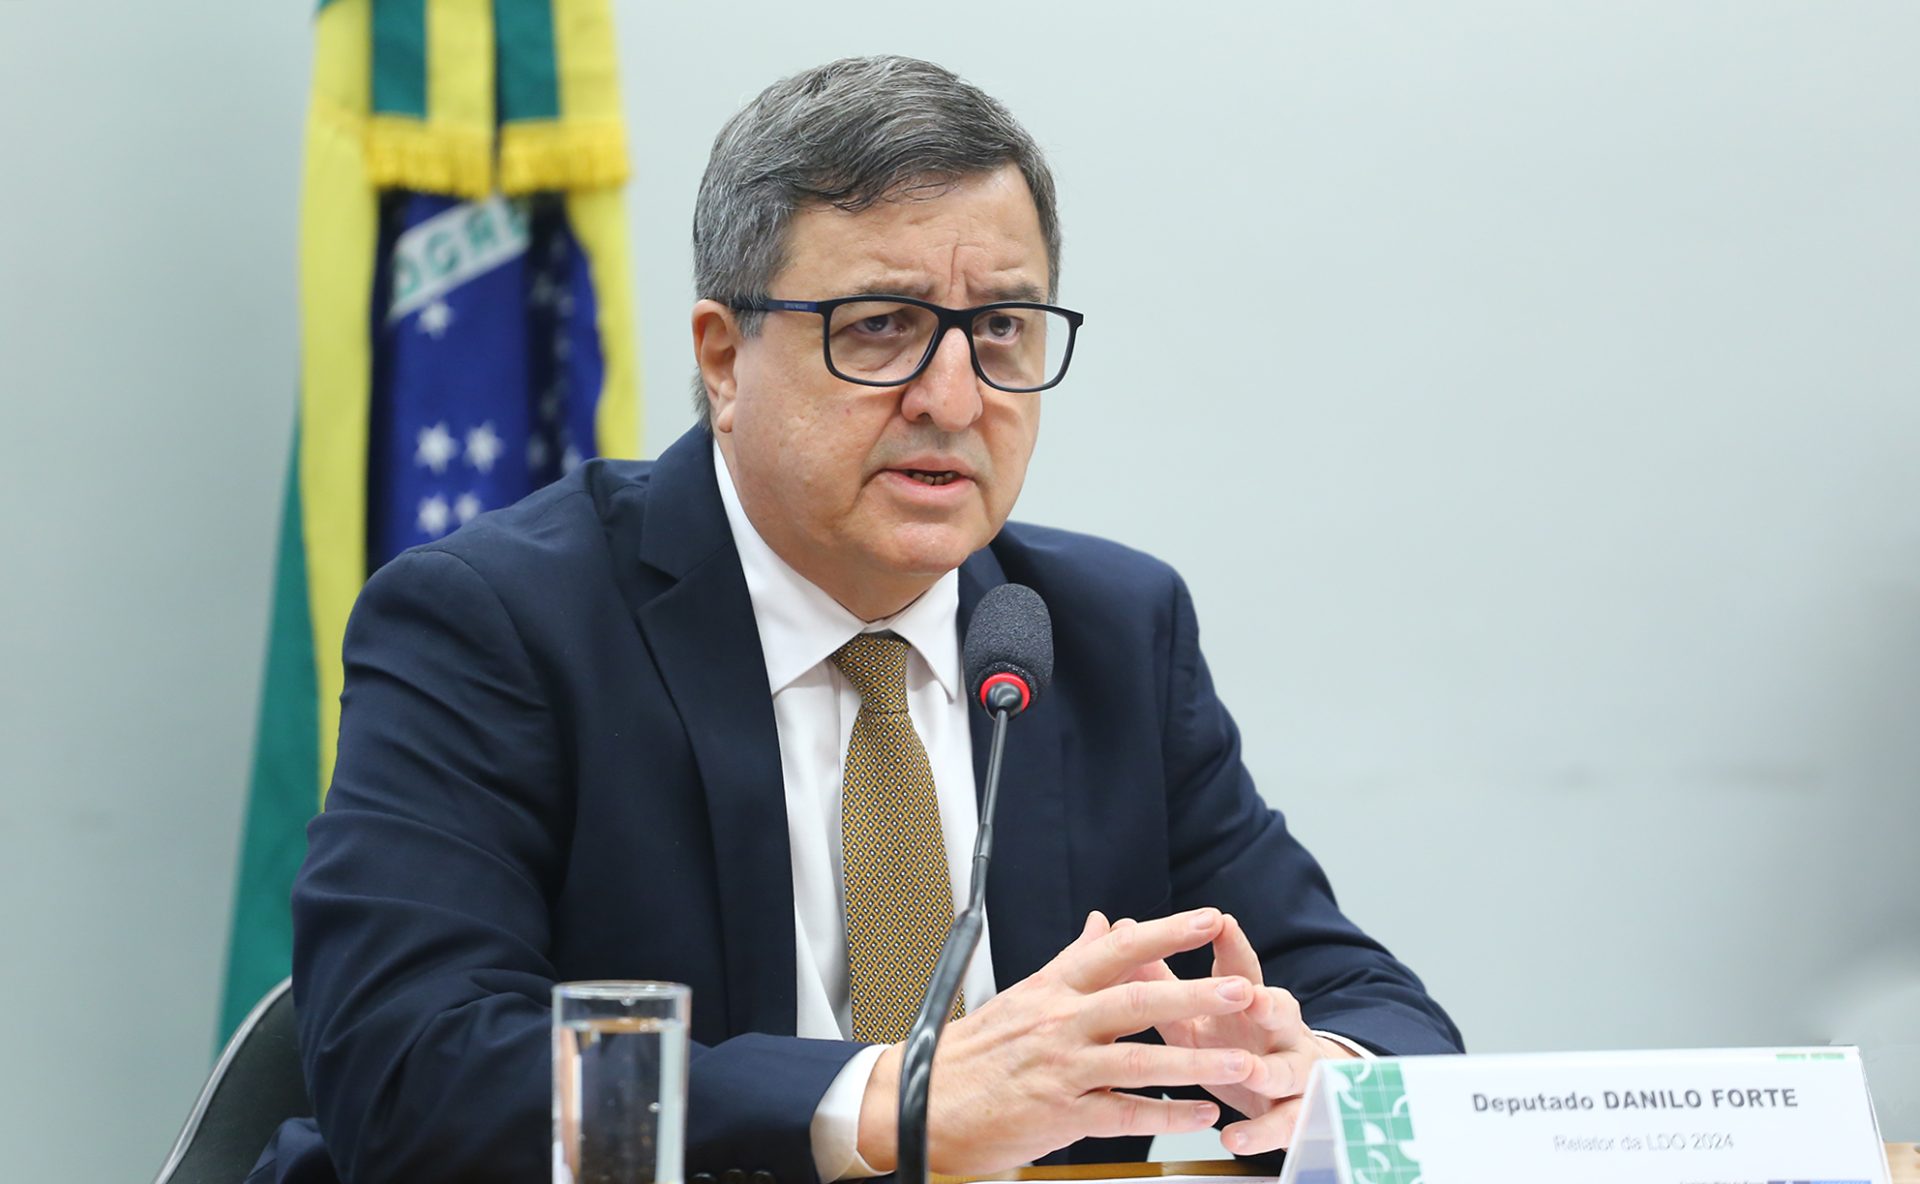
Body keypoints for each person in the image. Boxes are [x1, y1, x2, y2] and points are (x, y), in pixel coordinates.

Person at [256, 55, 1460, 1184]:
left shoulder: (1102, 630)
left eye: (1001, 328)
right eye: (880, 325)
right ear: (724, 359)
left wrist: (1312, 1079)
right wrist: (894, 1100)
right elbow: (410, 1070)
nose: (954, 398)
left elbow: (1379, 1009)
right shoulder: (500, 623)